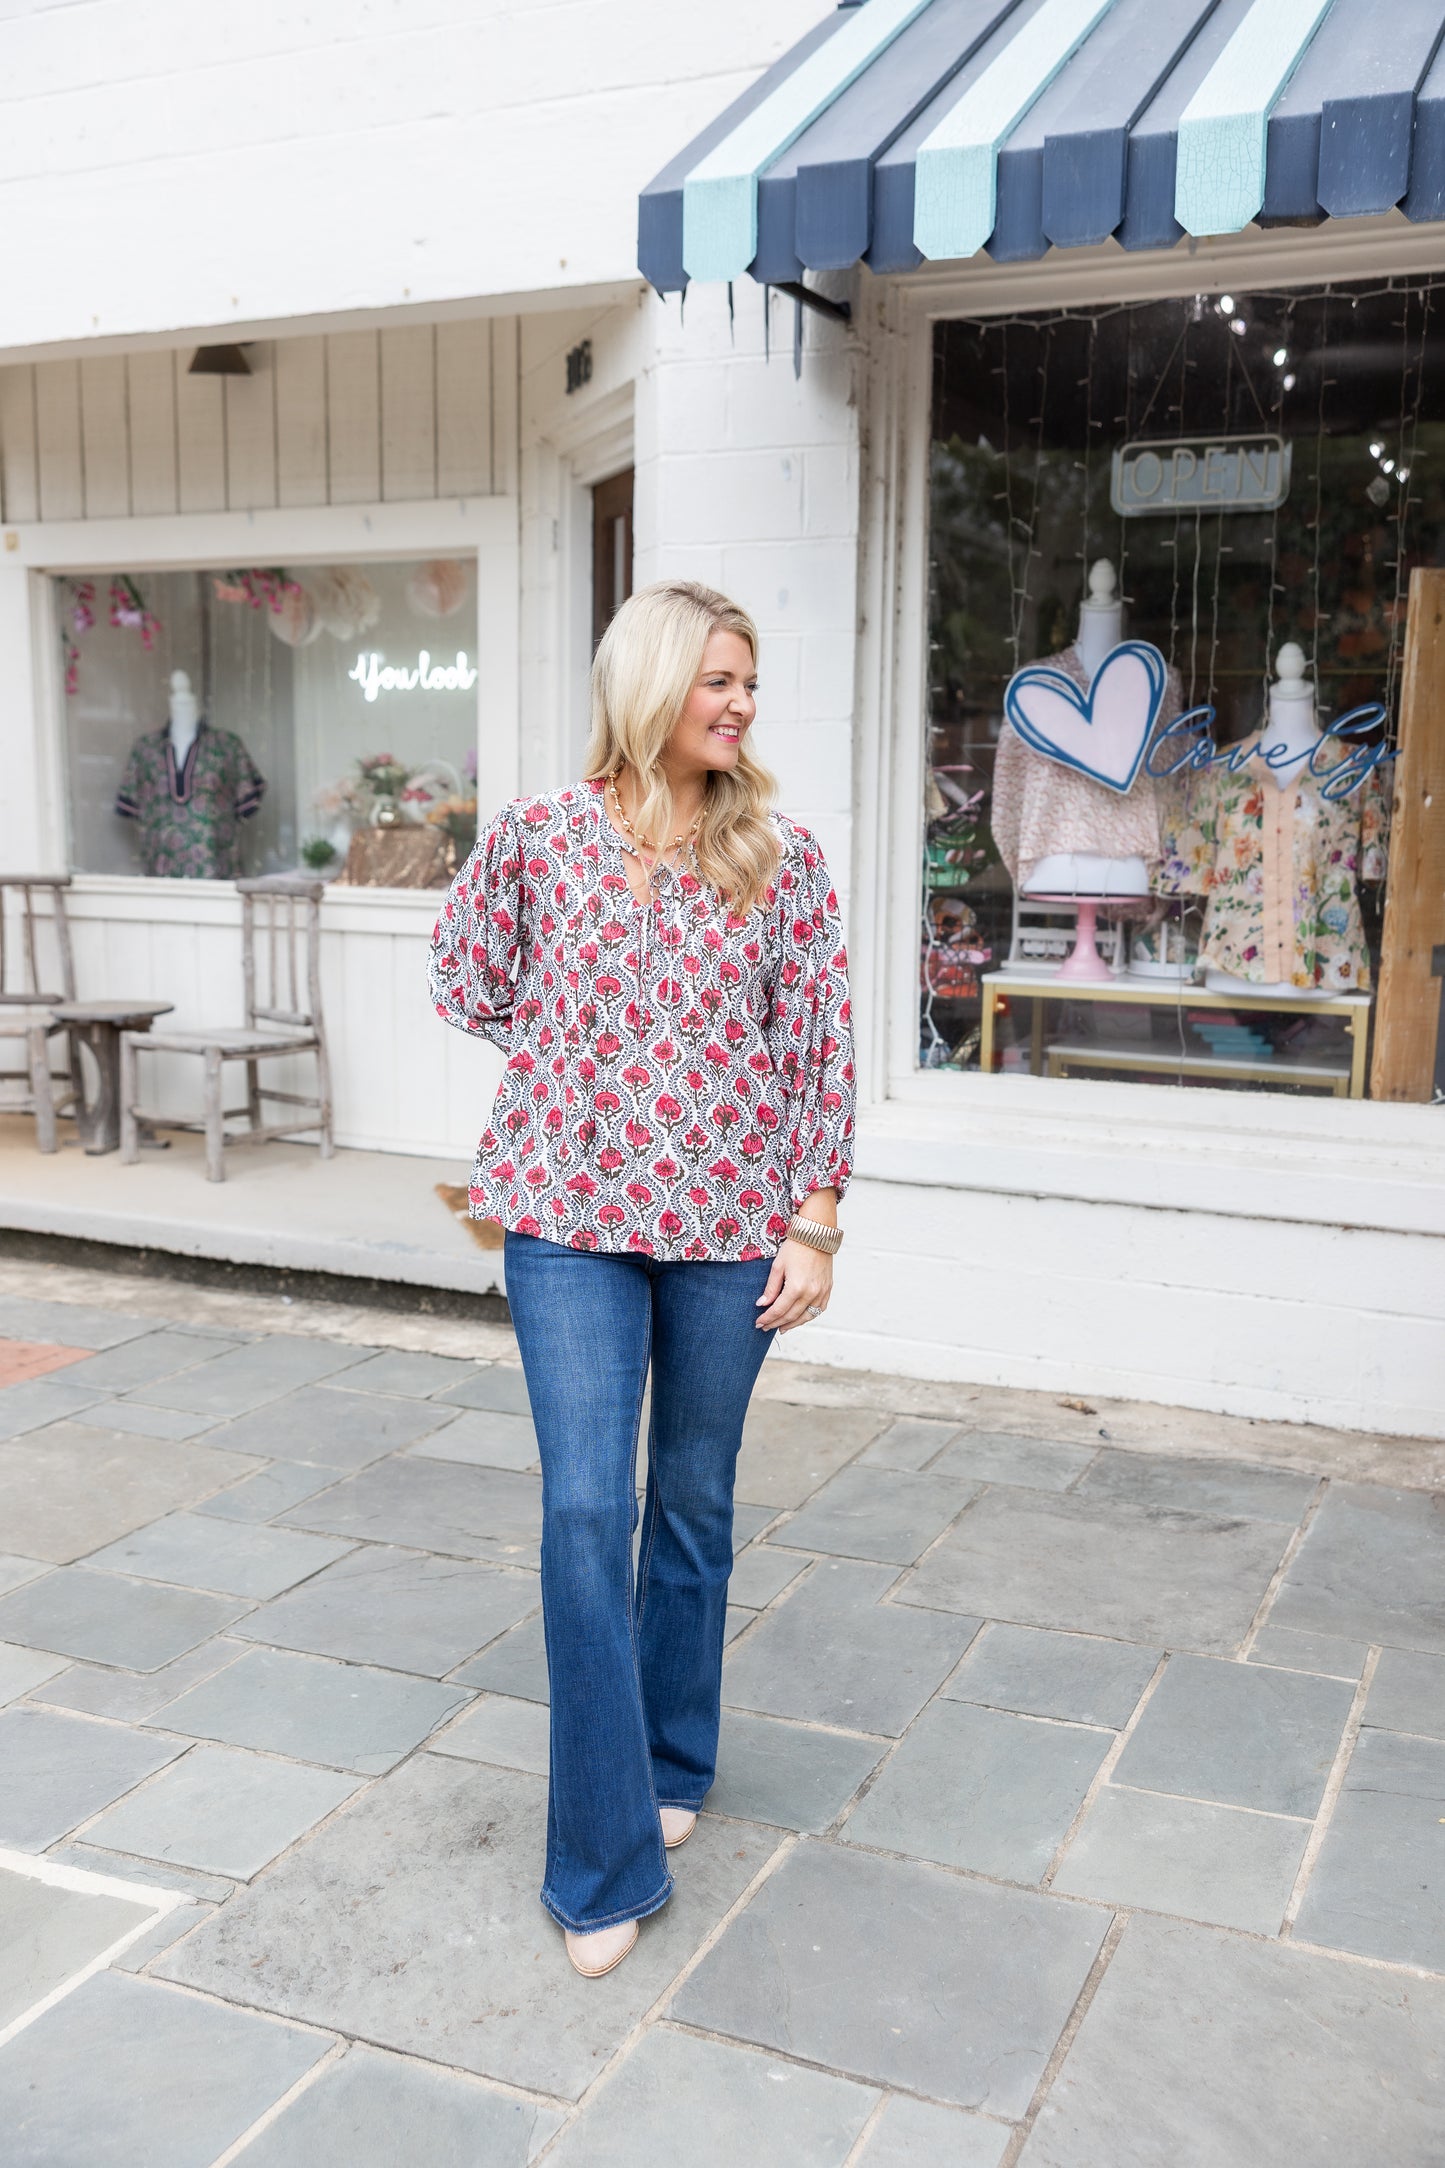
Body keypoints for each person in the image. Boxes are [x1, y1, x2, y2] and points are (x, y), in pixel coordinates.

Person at [428, 580, 855, 1977]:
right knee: (582, 1514)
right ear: (648, 686)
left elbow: (818, 1053)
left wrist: (815, 1221)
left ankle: (676, 1760)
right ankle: (600, 1864)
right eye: (714, 681)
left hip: (734, 1226)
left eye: (748, 683)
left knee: (690, 1504)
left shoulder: (779, 860)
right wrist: (577, 1075)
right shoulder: (541, 838)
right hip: (566, 1220)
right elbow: (467, 977)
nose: (737, 705)